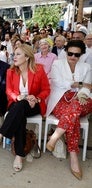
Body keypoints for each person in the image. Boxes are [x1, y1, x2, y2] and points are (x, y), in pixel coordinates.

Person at [0, 44, 50, 172]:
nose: (14, 57)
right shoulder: (11, 71)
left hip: (33, 104)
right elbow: (8, 91)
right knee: (20, 112)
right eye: (14, 54)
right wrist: (17, 97)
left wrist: (36, 98)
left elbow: (46, 89)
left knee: (21, 108)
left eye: (18, 54)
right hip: (17, 103)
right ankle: (19, 155)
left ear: (27, 57)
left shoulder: (39, 69)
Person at [46, 40, 92, 180]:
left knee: (76, 106)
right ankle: (73, 157)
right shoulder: (57, 64)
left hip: (82, 99)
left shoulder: (86, 67)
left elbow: (88, 86)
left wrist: (82, 91)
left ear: (82, 55)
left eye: (76, 55)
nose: (73, 57)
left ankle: (54, 137)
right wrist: (78, 83)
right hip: (61, 99)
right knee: (74, 116)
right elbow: (57, 82)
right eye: (70, 53)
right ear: (66, 52)